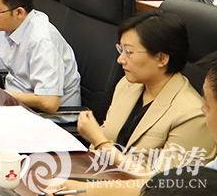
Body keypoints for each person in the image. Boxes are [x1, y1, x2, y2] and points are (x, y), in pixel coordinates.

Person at [76, 11, 214, 175]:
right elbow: (105, 138)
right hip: (102, 176)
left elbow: (162, 183)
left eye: (129, 52)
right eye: (121, 49)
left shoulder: (192, 115)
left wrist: (100, 142)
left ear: (162, 58)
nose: (120, 59)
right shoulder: (127, 85)